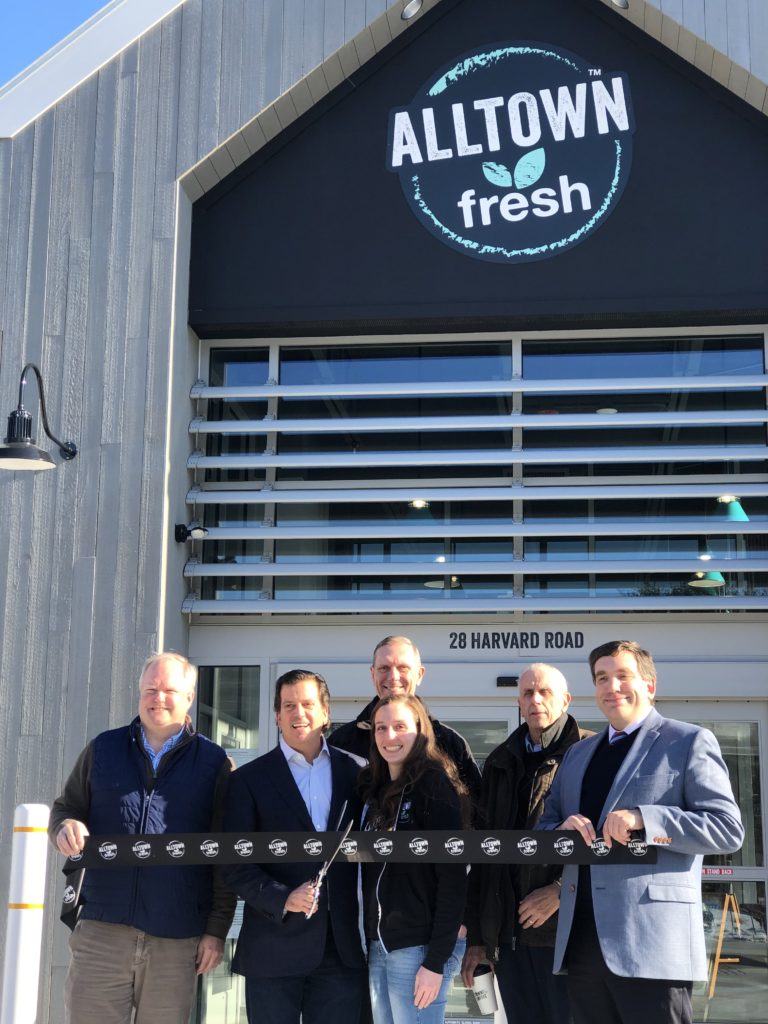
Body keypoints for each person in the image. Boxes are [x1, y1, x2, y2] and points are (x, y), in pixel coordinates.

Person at [539, 640, 745, 1024]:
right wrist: (561, 831)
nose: (611, 686)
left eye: (622, 676)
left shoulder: (687, 741)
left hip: (652, 943)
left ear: (650, 685)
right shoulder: (578, 754)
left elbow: (727, 829)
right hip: (582, 941)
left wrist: (646, 819)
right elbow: (545, 827)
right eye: (602, 678)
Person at [50, 651, 235, 1024]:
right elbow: (65, 808)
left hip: (176, 936)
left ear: (189, 698)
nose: (158, 698)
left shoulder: (215, 763)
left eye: (169, 690)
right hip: (102, 931)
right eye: (150, 689)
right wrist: (64, 828)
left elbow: (226, 856)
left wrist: (216, 930)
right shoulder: (104, 749)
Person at [221, 669, 367, 1024]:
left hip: (341, 951)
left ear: (325, 713)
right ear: (277, 715)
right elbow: (232, 864)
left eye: (306, 704)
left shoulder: (359, 773)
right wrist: (282, 897)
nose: (298, 713)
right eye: (288, 705)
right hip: (273, 948)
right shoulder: (246, 781)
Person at [461, 663, 590, 1023]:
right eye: (527, 693)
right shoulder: (500, 761)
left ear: (566, 699)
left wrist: (562, 891)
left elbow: (607, 844)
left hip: (568, 936)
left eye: (545, 691)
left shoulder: (590, 753)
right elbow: (482, 853)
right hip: (510, 938)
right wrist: (477, 937)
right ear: (518, 701)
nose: (535, 699)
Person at [360, 694, 469, 1024]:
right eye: (381, 727)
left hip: (418, 949)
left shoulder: (433, 785)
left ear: (421, 731)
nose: (389, 736)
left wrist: (436, 961)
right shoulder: (376, 790)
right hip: (381, 944)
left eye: (399, 727)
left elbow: (453, 878)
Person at [330, 635, 481, 804]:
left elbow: (476, 816)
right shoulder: (342, 743)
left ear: (420, 674)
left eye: (403, 668)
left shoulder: (450, 743)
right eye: (384, 668)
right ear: (373, 674)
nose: (393, 677)